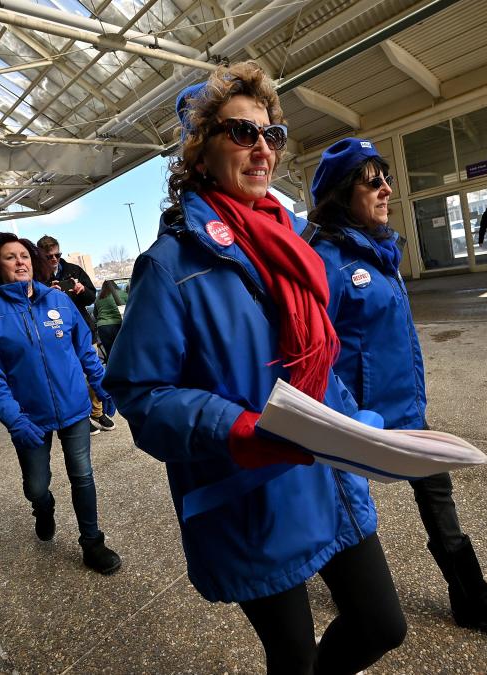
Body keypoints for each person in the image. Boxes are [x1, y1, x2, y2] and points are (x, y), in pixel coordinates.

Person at [103, 63, 406, 674]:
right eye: (242, 134)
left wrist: (363, 428)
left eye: (272, 134)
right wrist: (238, 429)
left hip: (325, 475)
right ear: (200, 151)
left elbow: (321, 360)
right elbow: (140, 393)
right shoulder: (169, 266)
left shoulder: (296, 239)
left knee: (380, 625)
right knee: (292, 656)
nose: (262, 148)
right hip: (248, 491)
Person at [308, 137, 487, 633]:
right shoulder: (327, 262)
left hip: (405, 411)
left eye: (385, 177)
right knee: (341, 504)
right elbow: (312, 356)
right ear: (341, 194)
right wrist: (344, 421)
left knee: (437, 492)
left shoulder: (379, 253)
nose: (386, 189)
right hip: (357, 424)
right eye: (373, 180)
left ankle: (470, 594)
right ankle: (344, 587)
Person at [0, 232, 121, 575]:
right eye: (10, 257)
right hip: (28, 418)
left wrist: (102, 385)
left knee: (82, 475)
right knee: (36, 485)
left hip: (74, 408)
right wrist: (13, 417)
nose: (19, 261)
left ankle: (92, 542)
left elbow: (84, 350)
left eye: (24, 255)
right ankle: (43, 507)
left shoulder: (59, 301)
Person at [36, 235, 114, 434]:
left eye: (57, 254)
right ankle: (84, 414)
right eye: (49, 256)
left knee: (94, 370)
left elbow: (91, 297)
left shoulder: (73, 270)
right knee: (74, 376)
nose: (54, 259)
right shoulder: (37, 278)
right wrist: (47, 293)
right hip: (56, 334)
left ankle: (97, 412)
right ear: (40, 256)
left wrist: (81, 290)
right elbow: (32, 306)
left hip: (84, 329)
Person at [93, 280, 127, 356]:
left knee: (110, 354)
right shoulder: (122, 294)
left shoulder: (99, 297)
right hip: (118, 325)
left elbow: (95, 314)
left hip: (102, 327)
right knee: (123, 352)